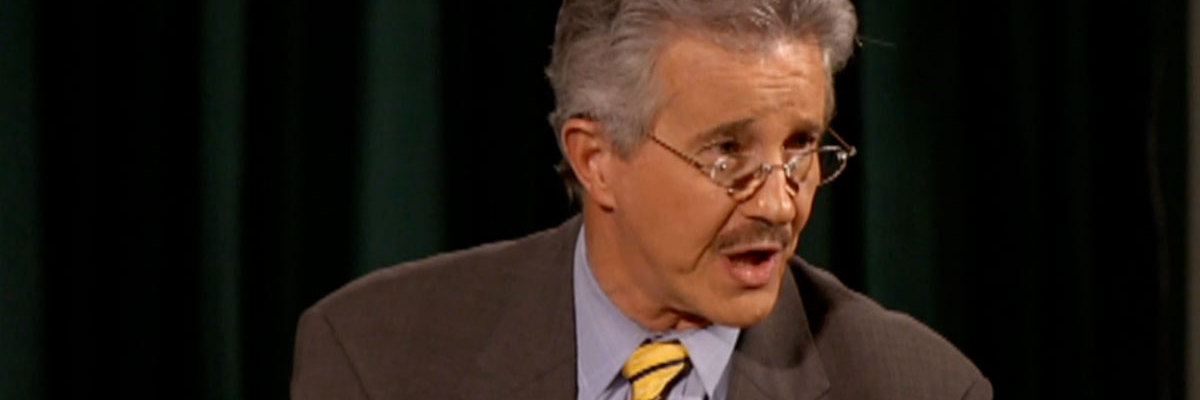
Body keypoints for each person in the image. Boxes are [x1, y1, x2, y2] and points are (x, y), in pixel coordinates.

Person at [291, 0, 992, 398]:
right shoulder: (374, 360)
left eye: (801, 146)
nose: (780, 207)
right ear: (596, 161)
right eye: (728, 153)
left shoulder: (922, 387)